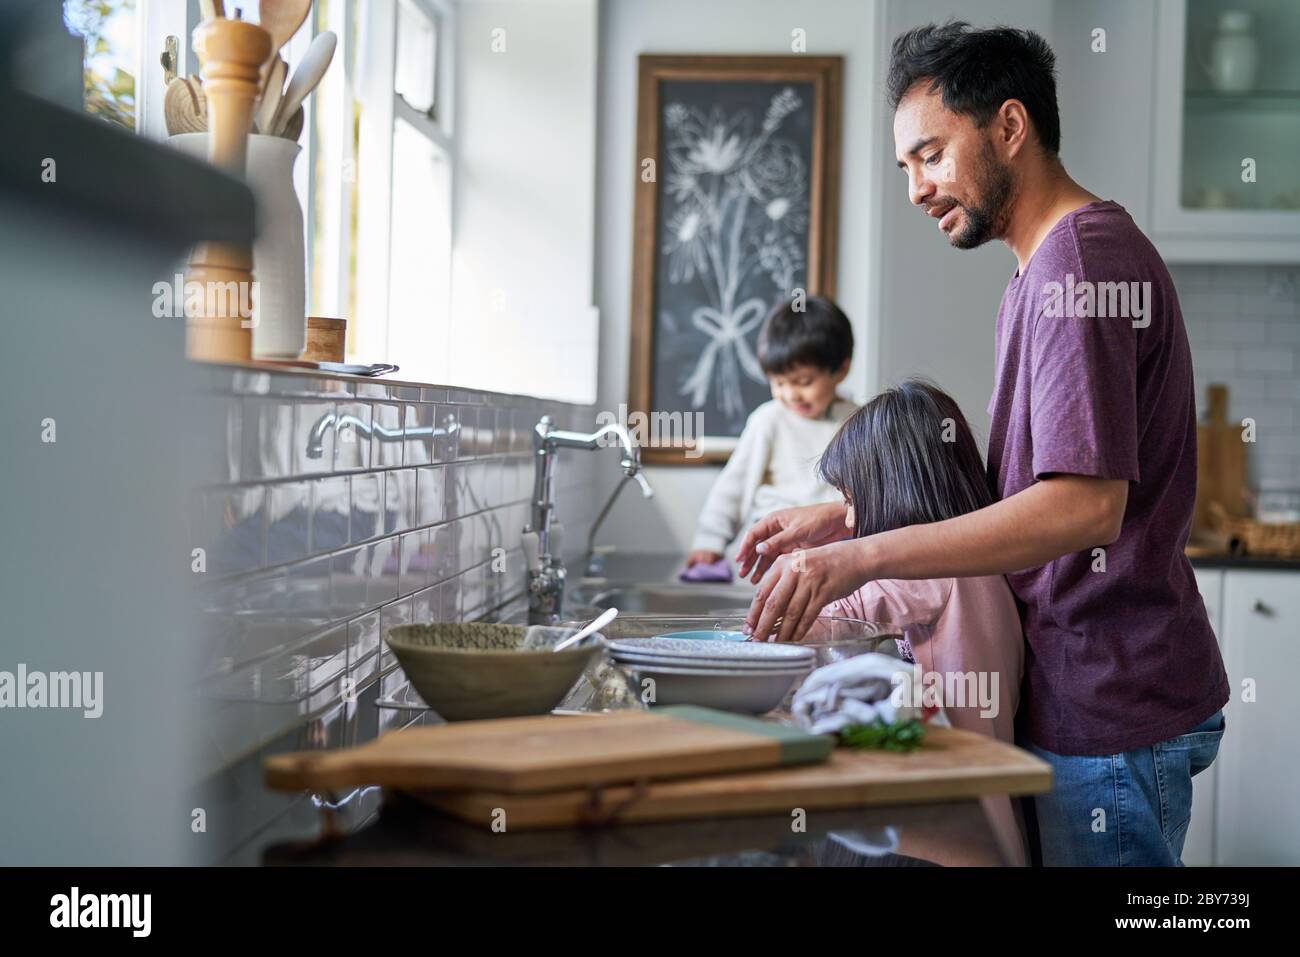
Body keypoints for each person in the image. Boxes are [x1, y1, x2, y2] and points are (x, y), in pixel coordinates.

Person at [737, 22, 1227, 867]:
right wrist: (850, 513)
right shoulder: (1041, 272)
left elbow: (1083, 506)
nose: (918, 189)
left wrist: (865, 558)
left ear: (1009, 126)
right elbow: (1021, 489)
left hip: (1110, 697)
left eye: (930, 154)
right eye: (906, 169)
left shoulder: (1080, 268)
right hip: (1092, 692)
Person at [684, 295, 857, 570]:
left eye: (804, 381)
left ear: (841, 370)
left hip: (832, 553)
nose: (791, 394)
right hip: (773, 549)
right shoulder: (768, 420)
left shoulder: (859, 422)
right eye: (779, 382)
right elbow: (733, 487)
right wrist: (709, 541)